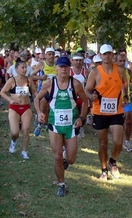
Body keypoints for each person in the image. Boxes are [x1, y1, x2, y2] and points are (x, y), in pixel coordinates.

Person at [34, 57, 88, 196]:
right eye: (61, 66)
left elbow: (85, 101)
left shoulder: (75, 84)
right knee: (57, 156)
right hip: (55, 125)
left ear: (69, 68)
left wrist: (81, 118)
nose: (63, 69)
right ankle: (61, 185)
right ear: (56, 68)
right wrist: (40, 113)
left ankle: (66, 156)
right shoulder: (49, 83)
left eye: (66, 67)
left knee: (71, 160)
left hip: (70, 126)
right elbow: (37, 98)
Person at [85, 44, 129, 181]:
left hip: (116, 110)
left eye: (109, 53)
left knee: (118, 142)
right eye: (104, 54)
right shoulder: (95, 72)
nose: (107, 56)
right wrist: (91, 96)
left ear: (113, 55)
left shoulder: (120, 70)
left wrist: (125, 96)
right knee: (103, 143)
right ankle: (104, 170)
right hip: (100, 111)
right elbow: (87, 89)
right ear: (100, 55)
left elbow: (125, 84)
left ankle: (113, 161)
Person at [1, 59, 37, 159]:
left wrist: (37, 98)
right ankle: (13, 141)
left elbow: (34, 92)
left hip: (26, 107)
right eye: (22, 67)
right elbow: (2, 92)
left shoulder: (28, 80)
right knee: (15, 132)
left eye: (26, 67)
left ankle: (24, 151)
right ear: (17, 69)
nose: (25, 69)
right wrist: (10, 100)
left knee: (26, 130)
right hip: (14, 108)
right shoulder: (12, 80)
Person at [70, 53, 87, 139]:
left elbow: (89, 83)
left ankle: (81, 127)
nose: (78, 62)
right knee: (75, 113)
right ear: (72, 61)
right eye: (76, 60)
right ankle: (77, 128)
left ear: (83, 61)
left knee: (84, 114)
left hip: (83, 95)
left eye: (80, 60)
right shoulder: (69, 71)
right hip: (73, 96)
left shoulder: (86, 71)